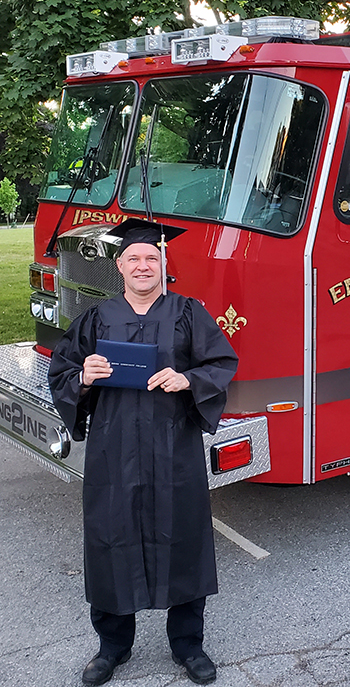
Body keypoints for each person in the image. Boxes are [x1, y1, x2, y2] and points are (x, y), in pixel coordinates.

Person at [48, 218, 238, 686]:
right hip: (114, 451)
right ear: (120, 265)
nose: (143, 265)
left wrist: (188, 379)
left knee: (184, 537)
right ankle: (112, 646)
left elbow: (222, 362)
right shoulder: (96, 318)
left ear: (163, 265)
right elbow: (63, 370)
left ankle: (188, 645)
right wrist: (84, 377)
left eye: (151, 258)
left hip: (173, 447)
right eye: (134, 258)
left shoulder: (188, 313)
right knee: (110, 538)